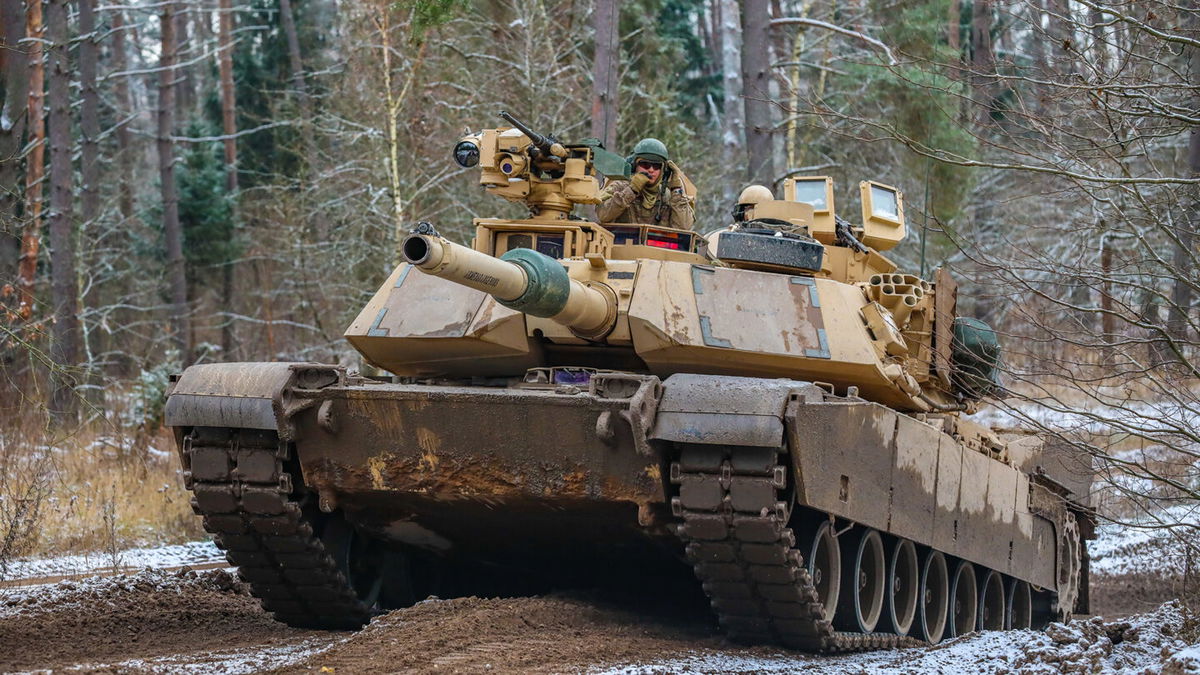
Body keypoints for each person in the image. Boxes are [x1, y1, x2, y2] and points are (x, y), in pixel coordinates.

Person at [597, 138, 695, 230]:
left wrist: (676, 189)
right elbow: (603, 215)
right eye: (645, 165)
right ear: (634, 166)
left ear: (662, 170)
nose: (651, 170)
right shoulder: (619, 187)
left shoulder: (669, 196)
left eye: (656, 166)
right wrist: (631, 191)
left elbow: (684, 227)